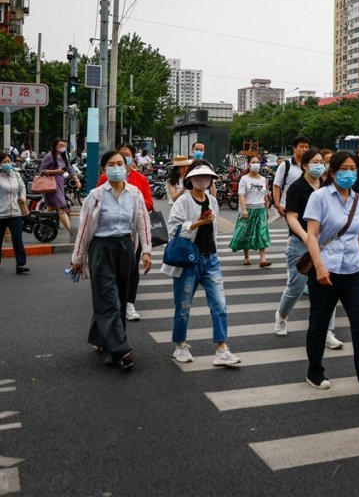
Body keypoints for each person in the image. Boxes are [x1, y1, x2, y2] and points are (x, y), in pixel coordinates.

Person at [303, 150, 359, 396]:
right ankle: (315, 370)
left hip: (354, 270)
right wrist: (319, 266)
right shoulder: (320, 197)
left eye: (353, 168)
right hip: (326, 270)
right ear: (332, 172)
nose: (349, 173)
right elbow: (312, 235)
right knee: (319, 323)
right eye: (344, 168)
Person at [71, 150, 152, 370]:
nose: (117, 167)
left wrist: (146, 250)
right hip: (101, 249)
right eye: (112, 164)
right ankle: (120, 349)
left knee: (119, 297)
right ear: (104, 169)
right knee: (107, 297)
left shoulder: (134, 193)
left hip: (125, 248)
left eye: (121, 163)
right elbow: (85, 229)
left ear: (127, 166)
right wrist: (77, 258)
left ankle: (101, 337)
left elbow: (142, 223)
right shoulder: (96, 195)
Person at [162, 160, 241, 366]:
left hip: (211, 259)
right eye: (198, 177)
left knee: (220, 304)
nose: (202, 180)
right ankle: (180, 345)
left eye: (206, 177)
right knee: (183, 306)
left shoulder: (212, 201)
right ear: (189, 179)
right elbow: (174, 231)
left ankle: (222, 348)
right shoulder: (183, 202)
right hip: (188, 261)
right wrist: (198, 222)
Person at [274, 148, 344, 349]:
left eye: (321, 161)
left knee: (328, 286)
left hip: (325, 245)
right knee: (296, 287)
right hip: (300, 243)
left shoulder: (327, 186)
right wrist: (306, 237)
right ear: (305, 165)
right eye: (315, 162)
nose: (320, 165)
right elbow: (291, 217)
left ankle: (328, 332)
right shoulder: (297, 188)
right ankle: (281, 315)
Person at [96, 143, 155, 322]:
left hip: (131, 234)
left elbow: (149, 203)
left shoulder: (140, 180)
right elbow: (93, 210)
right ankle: (112, 304)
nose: (120, 162)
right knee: (109, 276)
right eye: (118, 157)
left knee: (131, 269)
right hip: (106, 237)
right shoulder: (103, 181)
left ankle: (129, 302)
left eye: (125, 157)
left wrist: (134, 205)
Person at [229, 155, 272, 267]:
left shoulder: (263, 179)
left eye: (257, 162)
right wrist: (243, 209)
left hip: (260, 209)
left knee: (262, 233)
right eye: (253, 162)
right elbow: (241, 195)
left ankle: (263, 259)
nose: (256, 164)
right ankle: (246, 257)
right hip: (248, 209)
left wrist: (266, 211)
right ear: (249, 164)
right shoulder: (244, 179)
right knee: (246, 233)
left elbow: (265, 196)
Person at [39, 138, 82, 232]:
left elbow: (70, 169)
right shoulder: (49, 156)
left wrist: (77, 180)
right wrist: (56, 171)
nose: (63, 147)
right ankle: (72, 232)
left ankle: (41, 225)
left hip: (59, 185)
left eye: (64, 146)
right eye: (60, 145)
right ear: (55, 146)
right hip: (51, 186)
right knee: (62, 207)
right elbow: (41, 171)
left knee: (51, 207)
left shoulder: (63, 156)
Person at [0, 153, 28, 275]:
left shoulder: (16, 175)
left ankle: (20, 264)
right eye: (4, 162)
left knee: (17, 238)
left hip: (16, 213)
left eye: (8, 161)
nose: (7, 164)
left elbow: (22, 188)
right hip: (1, 214)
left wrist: (22, 197)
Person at [272, 136, 310, 217]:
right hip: (289, 206)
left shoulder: (311, 166)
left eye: (307, 147)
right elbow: (276, 185)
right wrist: (278, 205)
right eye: (301, 147)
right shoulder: (286, 165)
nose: (304, 149)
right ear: (294, 149)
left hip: (307, 206)